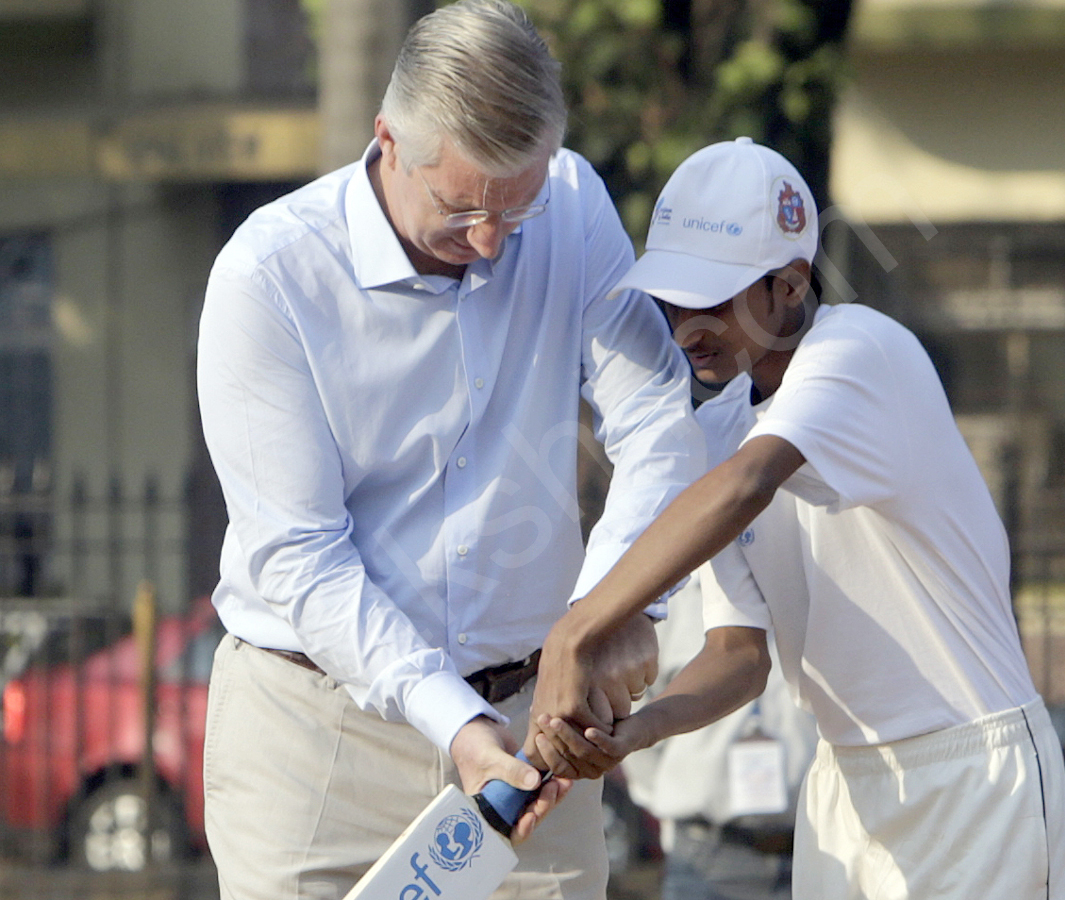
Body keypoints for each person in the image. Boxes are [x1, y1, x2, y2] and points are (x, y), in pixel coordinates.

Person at [194, 2, 706, 898]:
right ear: (388, 141)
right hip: (316, 740)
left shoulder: (574, 204)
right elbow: (300, 554)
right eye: (462, 207)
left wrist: (609, 613)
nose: (491, 241)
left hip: (534, 729)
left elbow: (658, 416)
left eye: (519, 205)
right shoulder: (268, 279)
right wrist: (456, 725)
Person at [526, 137, 1065, 899]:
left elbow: (749, 486)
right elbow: (739, 656)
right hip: (841, 779)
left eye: (712, 300)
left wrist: (577, 629)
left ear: (789, 285)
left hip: (969, 770)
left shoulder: (860, 352)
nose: (686, 326)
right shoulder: (720, 432)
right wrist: (639, 731)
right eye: (673, 301)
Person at [620, 572, 817, 900]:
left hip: (816, 851)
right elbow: (635, 716)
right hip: (706, 855)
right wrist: (670, 798)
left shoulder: (817, 592)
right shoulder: (671, 604)